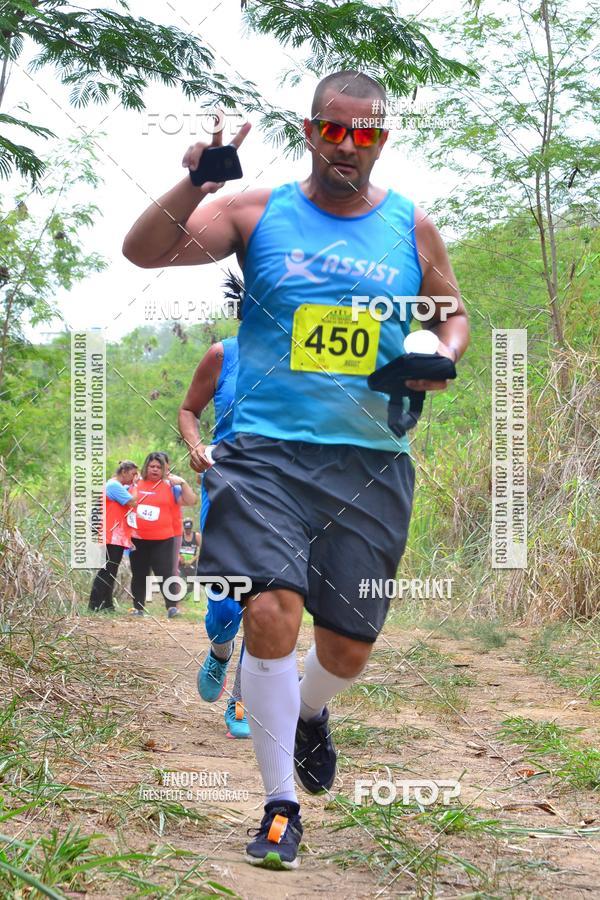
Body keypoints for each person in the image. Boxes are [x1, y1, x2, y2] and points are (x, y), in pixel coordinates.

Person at [124, 70, 469, 870]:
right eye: (334, 130)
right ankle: (280, 806)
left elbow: (449, 313)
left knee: (347, 649)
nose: (349, 146)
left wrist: (437, 357)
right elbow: (143, 252)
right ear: (310, 129)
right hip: (265, 455)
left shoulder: (409, 227)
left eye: (367, 133)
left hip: (371, 459)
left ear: (383, 138)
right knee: (271, 609)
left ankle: (311, 711)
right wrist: (196, 178)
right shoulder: (256, 210)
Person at [178, 274, 250, 739]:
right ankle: (219, 652)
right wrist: (196, 445)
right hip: (224, 487)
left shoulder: (305, 360)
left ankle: (241, 704)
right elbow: (189, 410)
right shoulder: (222, 355)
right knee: (225, 609)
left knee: (268, 604)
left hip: (284, 491)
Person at [129, 452, 194, 618]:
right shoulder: (136, 484)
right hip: (138, 539)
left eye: (159, 467)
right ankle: (138, 608)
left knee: (165, 573)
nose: (155, 469)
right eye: (152, 466)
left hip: (163, 539)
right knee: (139, 574)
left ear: (164, 469)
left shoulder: (171, 486)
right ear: (146, 467)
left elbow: (191, 500)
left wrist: (183, 483)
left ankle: (172, 608)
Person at [89, 460, 138, 612]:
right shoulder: (113, 486)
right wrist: (137, 485)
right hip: (111, 534)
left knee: (111, 570)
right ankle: (95, 604)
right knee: (107, 570)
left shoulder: (116, 486)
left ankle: (107, 604)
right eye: (133, 474)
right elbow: (133, 502)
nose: (135, 477)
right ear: (124, 472)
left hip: (116, 534)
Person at [156, 450, 197, 604]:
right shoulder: (143, 483)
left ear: (167, 466)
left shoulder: (174, 484)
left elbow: (191, 500)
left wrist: (182, 482)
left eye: (162, 465)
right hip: (146, 533)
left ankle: (173, 603)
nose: (158, 468)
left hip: (172, 532)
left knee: (171, 567)